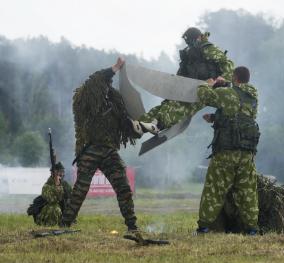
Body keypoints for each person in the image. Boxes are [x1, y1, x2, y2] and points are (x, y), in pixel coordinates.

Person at [60, 58, 145, 241]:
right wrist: (115, 68)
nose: (108, 83)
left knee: (123, 187)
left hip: (108, 151)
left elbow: (126, 125)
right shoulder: (84, 97)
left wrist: (142, 127)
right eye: (106, 80)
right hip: (89, 149)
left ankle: (132, 225)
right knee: (81, 189)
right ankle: (65, 223)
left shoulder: (114, 101)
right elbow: (95, 81)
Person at [195, 66, 261, 235]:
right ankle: (252, 229)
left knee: (214, 190)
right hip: (247, 154)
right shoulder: (253, 96)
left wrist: (208, 84)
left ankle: (203, 227)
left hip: (226, 153)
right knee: (247, 192)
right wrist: (216, 118)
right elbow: (238, 116)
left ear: (235, 77)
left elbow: (203, 95)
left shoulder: (228, 94)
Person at [138, 27, 234, 131]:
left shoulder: (208, 49)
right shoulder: (189, 53)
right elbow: (182, 72)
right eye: (188, 42)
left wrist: (224, 77)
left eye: (192, 41)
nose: (190, 44)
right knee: (168, 101)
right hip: (192, 86)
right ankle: (144, 123)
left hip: (210, 88)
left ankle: (159, 124)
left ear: (199, 37)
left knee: (183, 105)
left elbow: (228, 63)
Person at [27, 162, 72, 226]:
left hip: (62, 209)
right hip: (47, 212)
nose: (61, 174)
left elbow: (71, 196)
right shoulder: (47, 186)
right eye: (59, 172)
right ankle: (51, 225)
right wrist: (57, 187)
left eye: (62, 172)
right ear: (52, 174)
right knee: (55, 208)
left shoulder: (65, 184)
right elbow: (52, 200)